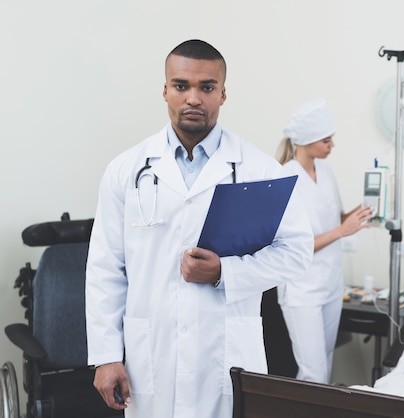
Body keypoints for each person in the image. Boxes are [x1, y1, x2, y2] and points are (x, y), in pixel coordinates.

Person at [85, 39, 313, 418]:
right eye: (181, 86)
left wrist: (226, 272)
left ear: (223, 94)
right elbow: (106, 268)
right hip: (151, 357)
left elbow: (297, 252)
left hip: (225, 356)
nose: (193, 98)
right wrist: (106, 355)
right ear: (165, 91)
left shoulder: (259, 171)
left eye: (206, 87)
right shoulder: (126, 171)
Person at [275, 99, 374, 383]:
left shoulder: (326, 171)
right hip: (301, 290)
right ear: (306, 140)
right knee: (313, 373)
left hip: (331, 285)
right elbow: (292, 244)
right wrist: (344, 230)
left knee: (326, 365)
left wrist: (363, 211)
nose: (332, 145)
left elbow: (337, 217)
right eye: (326, 140)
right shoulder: (285, 177)